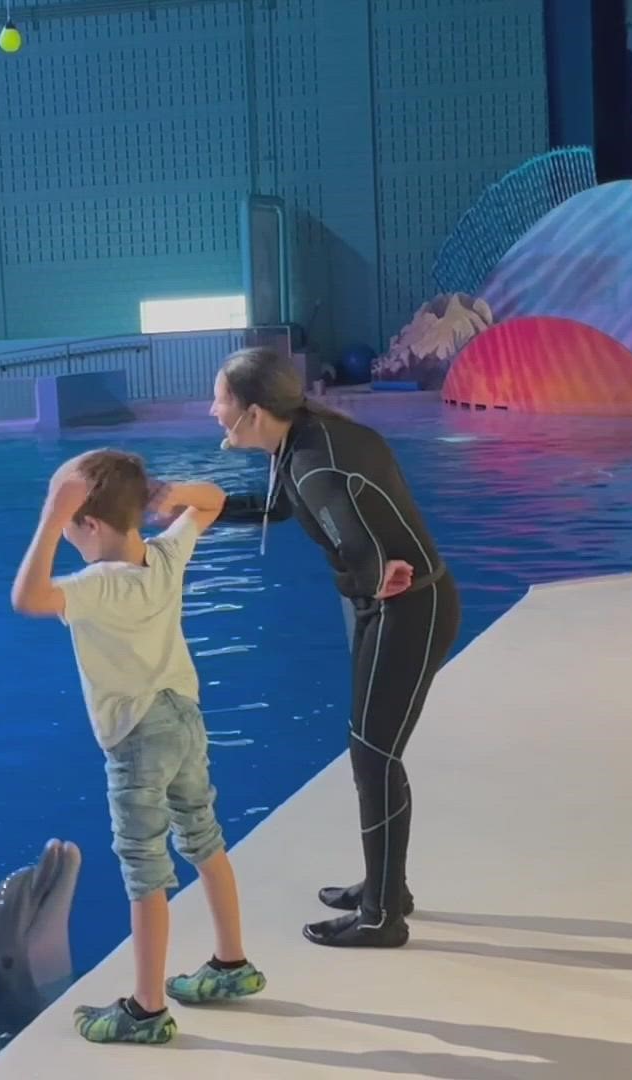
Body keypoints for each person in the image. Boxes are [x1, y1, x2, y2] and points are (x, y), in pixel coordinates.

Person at [10, 449, 266, 1046]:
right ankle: (232, 964)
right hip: (185, 717)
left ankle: (146, 1010)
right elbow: (214, 501)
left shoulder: (96, 586)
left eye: (71, 521)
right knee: (204, 835)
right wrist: (170, 493)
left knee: (144, 868)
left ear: (87, 524)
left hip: (136, 738)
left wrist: (49, 518)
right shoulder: (167, 555)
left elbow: (27, 599)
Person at [210, 347, 461, 949]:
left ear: (251, 409)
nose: (212, 409)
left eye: (220, 398)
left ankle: (381, 918)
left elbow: (355, 537)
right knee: (372, 752)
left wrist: (375, 575)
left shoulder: (314, 463)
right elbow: (276, 508)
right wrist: (188, 506)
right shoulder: (304, 439)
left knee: (374, 756)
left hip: (409, 609)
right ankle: (385, 890)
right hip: (399, 607)